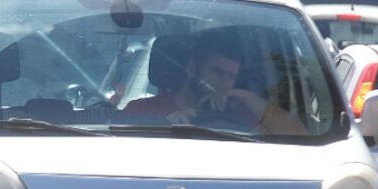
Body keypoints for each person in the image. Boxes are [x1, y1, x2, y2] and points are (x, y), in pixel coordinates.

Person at [122, 29, 296, 132]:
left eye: (231, 77)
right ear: (192, 66)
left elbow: (298, 135)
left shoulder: (240, 114)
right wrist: (161, 126)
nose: (224, 83)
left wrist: (247, 97)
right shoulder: (143, 111)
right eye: (216, 72)